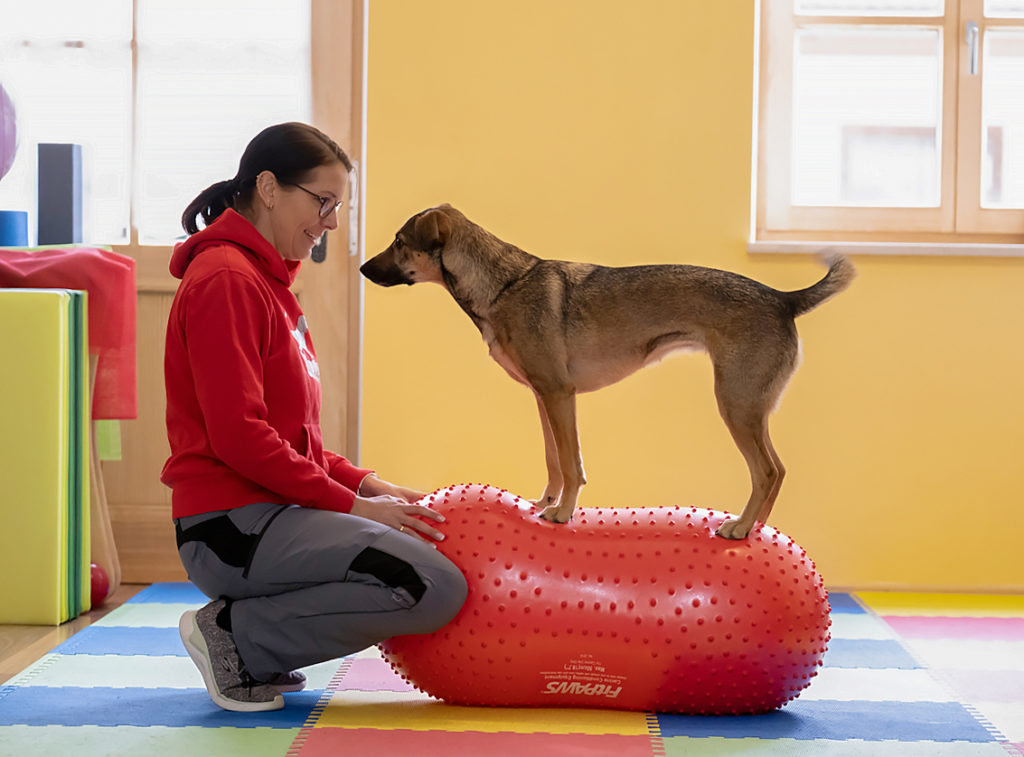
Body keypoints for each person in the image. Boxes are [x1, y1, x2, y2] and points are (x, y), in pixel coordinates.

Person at [162, 122, 467, 712]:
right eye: (323, 202)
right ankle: (238, 639)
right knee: (430, 583)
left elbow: (294, 442)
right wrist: (355, 508)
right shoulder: (226, 279)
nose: (330, 222)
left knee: (428, 563)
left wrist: (369, 486)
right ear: (270, 188)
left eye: (337, 207)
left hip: (269, 515)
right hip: (228, 528)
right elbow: (239, 437)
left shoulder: (269, 286)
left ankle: (250, 638)